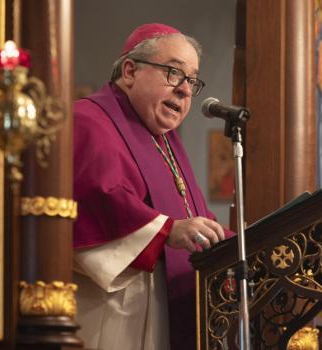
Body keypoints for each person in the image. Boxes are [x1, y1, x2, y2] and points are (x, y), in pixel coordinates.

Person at [72, 23, 229, 350]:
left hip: (163, 317)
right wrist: (166, 231)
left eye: (192, 81)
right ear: (129, 71)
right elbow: (95, 200)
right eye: (174, 73)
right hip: (114, 316)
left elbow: (196, 223)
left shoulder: (167, 144)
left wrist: (243, 243)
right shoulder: (88, 119)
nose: (185, 90)